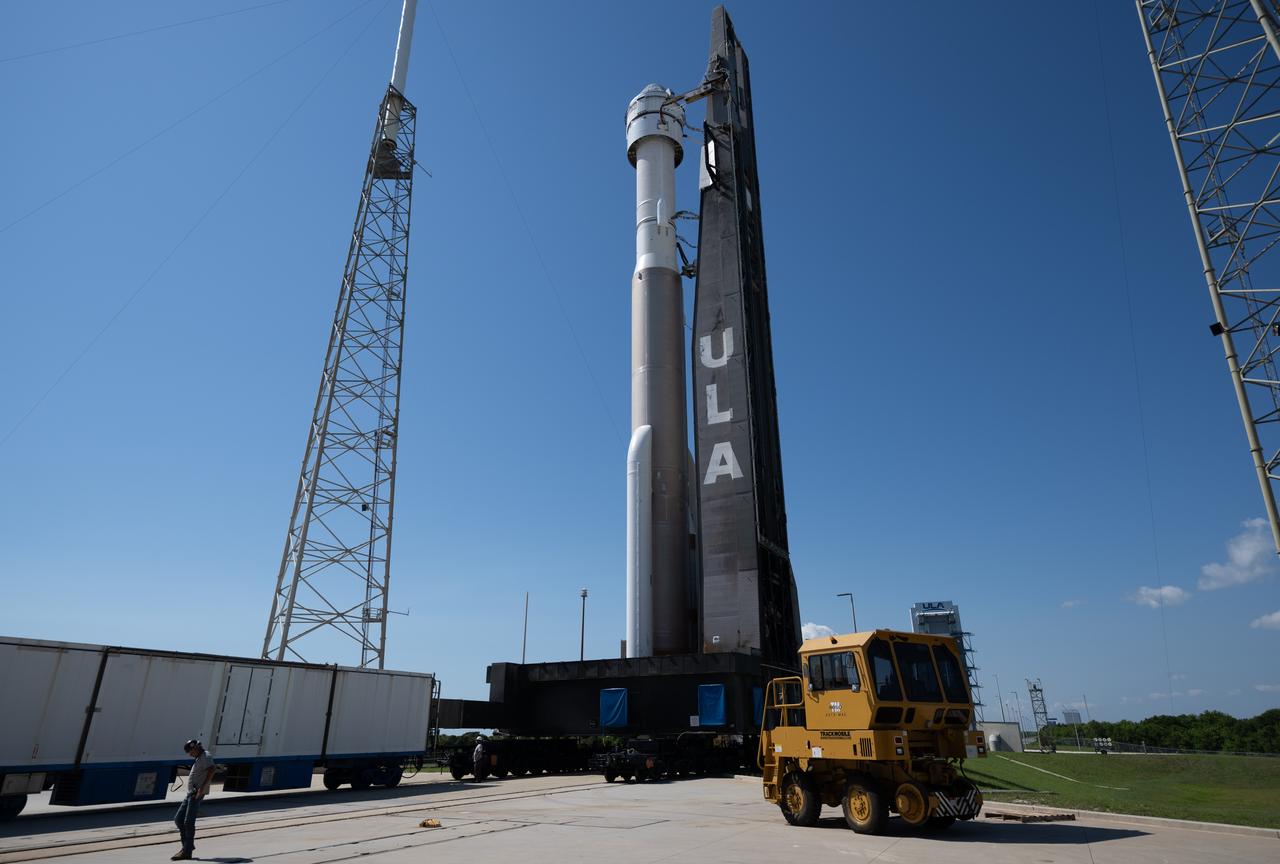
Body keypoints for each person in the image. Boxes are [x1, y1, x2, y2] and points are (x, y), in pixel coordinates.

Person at [172, 739, 214, 861]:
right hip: (191, 793)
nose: (190, 755)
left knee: (188, 822)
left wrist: (202, 788)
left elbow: (212, 769)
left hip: (197, 794)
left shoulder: (206, 756)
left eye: (191, 752)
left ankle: (187, 851)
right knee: (178, 819)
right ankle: (188, 846)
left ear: (195, 748)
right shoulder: (199, 757)